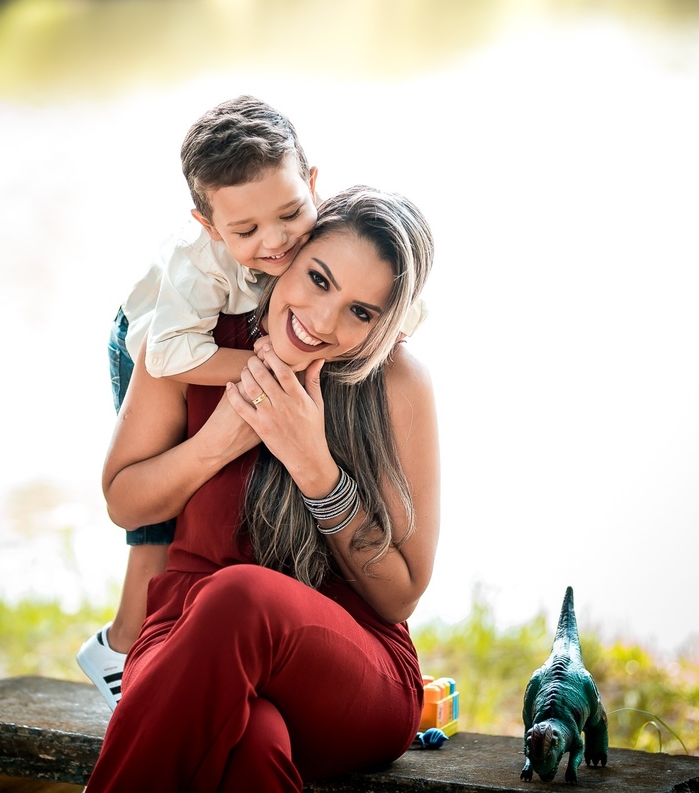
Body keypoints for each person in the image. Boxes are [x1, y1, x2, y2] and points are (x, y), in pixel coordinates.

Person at [84, 185, 439, 792]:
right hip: (183, 636)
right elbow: (124, 501)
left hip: (351, 666)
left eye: (360, 312)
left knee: (240, 596)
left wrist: (313, 464)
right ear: (289, 254)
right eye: (319, 279)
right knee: (252, 743)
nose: (322, 322)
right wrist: (218, 441)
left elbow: (399, 595)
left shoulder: (395, 379)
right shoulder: (189, 339)